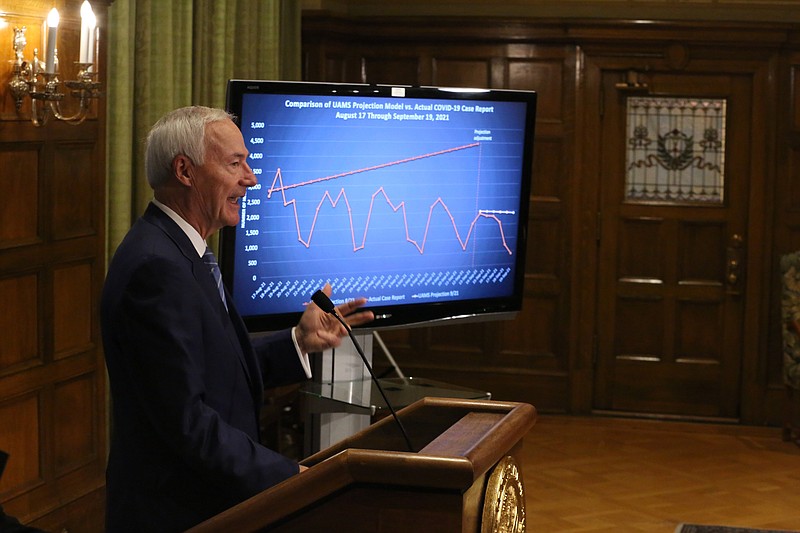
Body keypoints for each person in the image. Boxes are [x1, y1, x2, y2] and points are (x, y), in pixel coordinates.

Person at [101, 106, 374, 532]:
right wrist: (291, 478)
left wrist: (297, 342)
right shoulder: (156, 269)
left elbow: (213, 366)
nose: (251, 177)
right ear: (185, 171)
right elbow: (188, 423)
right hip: (179, 513)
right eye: (235, 164)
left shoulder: (181, 251)